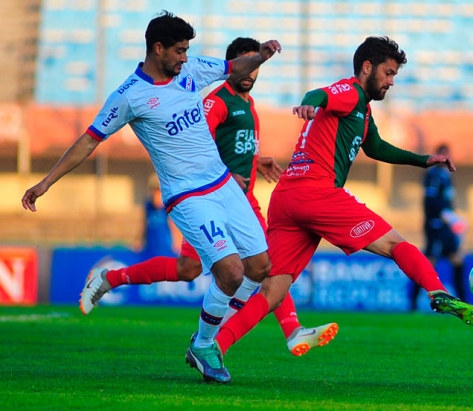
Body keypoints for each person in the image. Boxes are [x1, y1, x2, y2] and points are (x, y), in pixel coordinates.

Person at [21, 11, 282, 383]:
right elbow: (89, 140)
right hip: (188, 197)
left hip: (223, 184)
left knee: (259, 267)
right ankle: (206, 343)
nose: (185, 57)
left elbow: (231, 65)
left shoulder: (190, 71)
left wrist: (260, 57)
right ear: (157, 49)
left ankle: (205, 336)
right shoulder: (130, 95)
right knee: (231, 271)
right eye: (179, 50)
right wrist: (46, 182)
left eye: (187, 50)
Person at [212, 36, 473, 362]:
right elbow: (321, 95)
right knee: (396, 245)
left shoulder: (362, 110)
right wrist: (309, 104)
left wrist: (424, 159)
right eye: (388, 73)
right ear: (367, 67)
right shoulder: (350, 92)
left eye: (394, 76)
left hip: (287, 197)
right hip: (316, 192)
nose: (390, 81)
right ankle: (437, 292)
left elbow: (377, 148)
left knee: (273, 290)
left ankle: (213, 347)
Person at [77, 37, 338, 358]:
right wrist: (227, 175)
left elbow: (226, 145)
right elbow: (197, 143)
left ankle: (285, 330)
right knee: (216, 267)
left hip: (239, 200)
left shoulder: (247, 103)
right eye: (245, 64)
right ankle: (114, 279)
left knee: (240, 266)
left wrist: (257, 160)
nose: (250, 73)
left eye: (255, 65)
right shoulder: (218, 101)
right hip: (211, 198)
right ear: (231, 67)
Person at [411, 143, 467, 310]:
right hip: (435, 226)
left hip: (446, 228)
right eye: (443, 155)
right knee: (429, 263)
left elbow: (447, 201)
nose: (446, 158)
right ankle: (413, 303)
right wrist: (444, 214)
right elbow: (430, 201)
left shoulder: (447, 175)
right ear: (438, 156)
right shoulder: (432, 175)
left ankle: (464, 303)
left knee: (457, 260)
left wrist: (452, 217)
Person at [140, 173, 179, 258]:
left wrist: (176, 243)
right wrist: (140, 241)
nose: (155, 195)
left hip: (165, 248)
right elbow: (144, 225)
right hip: (150, 248)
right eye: (154, 192)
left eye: (158, 192)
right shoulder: (148, 206)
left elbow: (173, 226)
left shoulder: (167, 207)